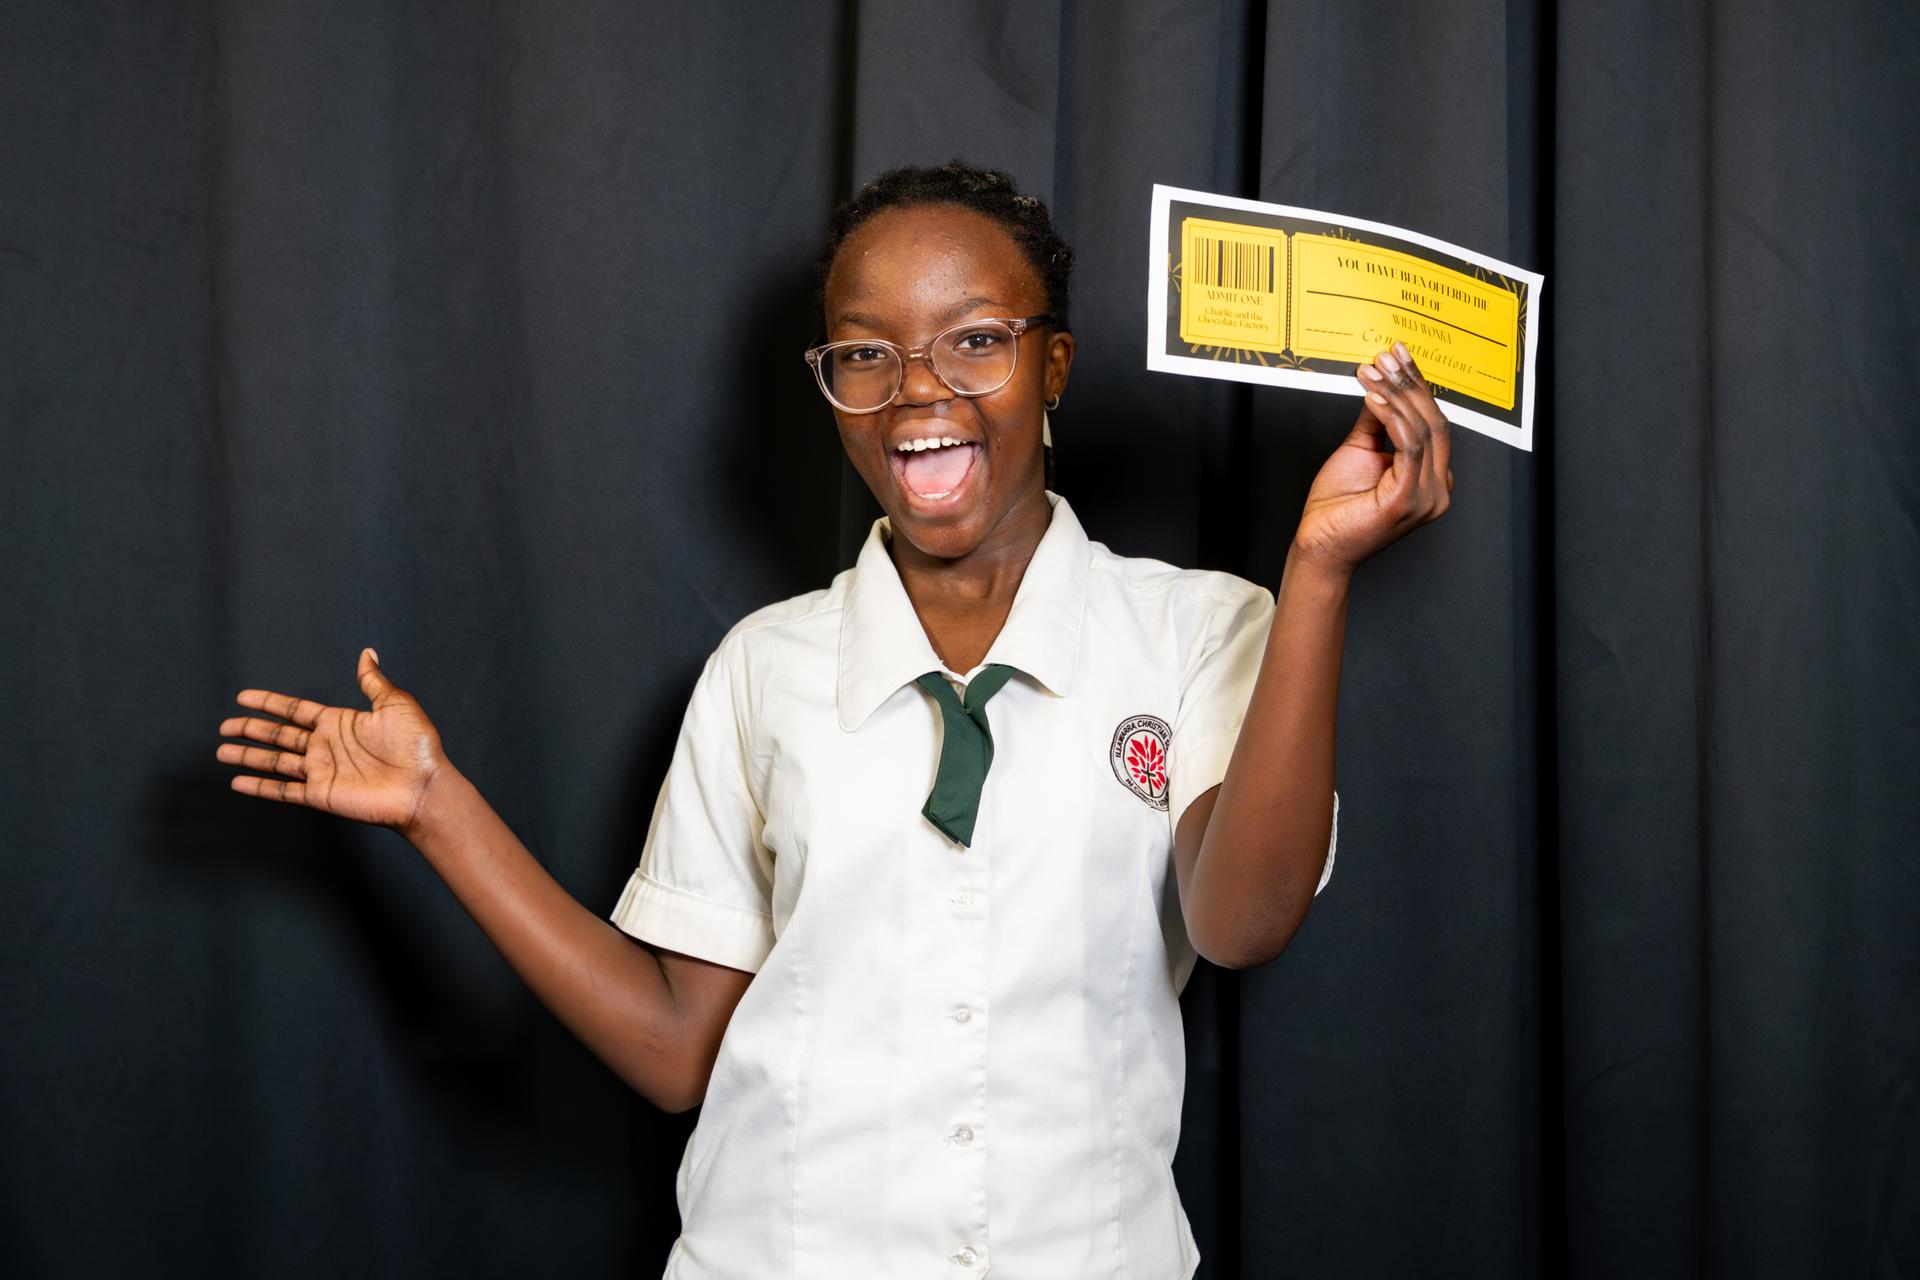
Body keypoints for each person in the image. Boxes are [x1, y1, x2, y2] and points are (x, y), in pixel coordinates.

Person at [215, 161, 1451, 1278]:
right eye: (864, 354)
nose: (916, 390)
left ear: (1055, 366)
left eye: (976, 340)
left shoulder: (1204, 630)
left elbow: (1239, 921)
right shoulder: (765, 666)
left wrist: (1320, 571)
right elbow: (675, 1048)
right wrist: (438, 809)